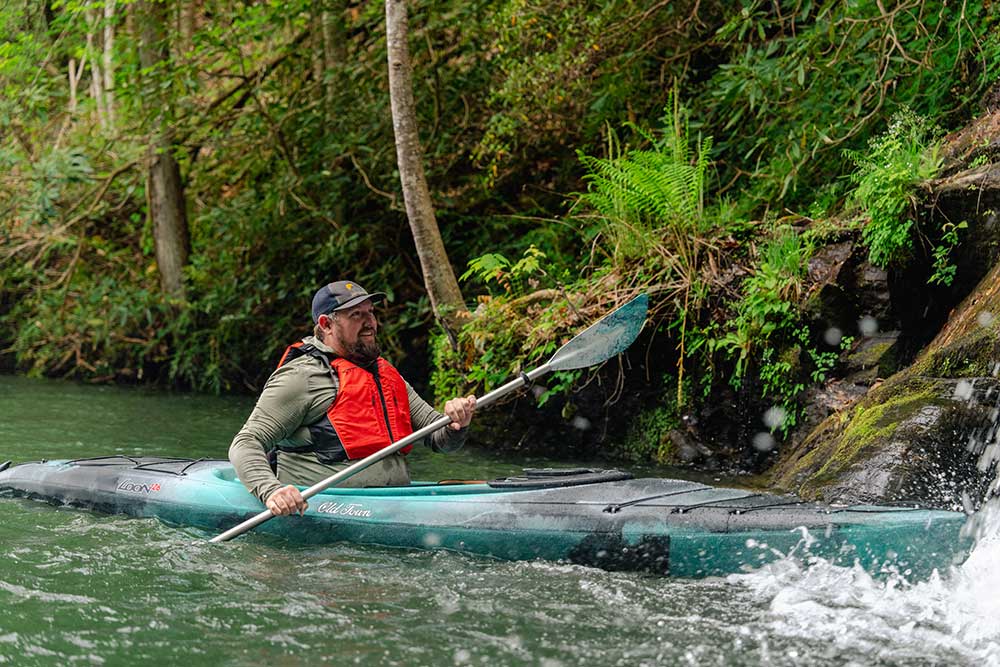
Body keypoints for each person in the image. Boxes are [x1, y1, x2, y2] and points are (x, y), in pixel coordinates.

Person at [229, 279, 476, 517]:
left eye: (370, 313)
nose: (370, 323)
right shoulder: (302, 377)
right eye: (356, 315)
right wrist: (272, 491)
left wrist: (456, 423)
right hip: (328, 511)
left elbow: (441, 440)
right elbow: (246, 442)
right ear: (326, 324)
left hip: (395, 505)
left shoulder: (386, 374)